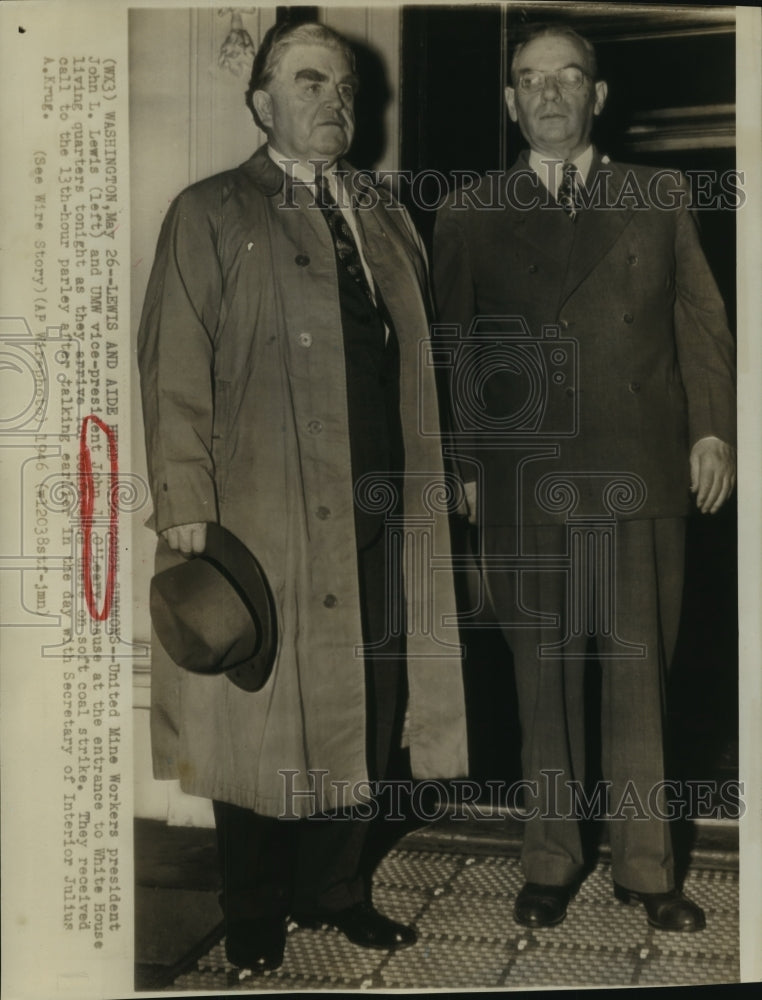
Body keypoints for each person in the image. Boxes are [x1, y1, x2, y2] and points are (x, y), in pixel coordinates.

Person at [138, 21, 467, 972]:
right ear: (261, 103)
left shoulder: (387, 212)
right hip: (262, 509)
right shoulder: (209, 211)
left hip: (383, 502)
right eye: (311, 82)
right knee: (257, 714)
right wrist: (185, 500)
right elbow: (173, 368)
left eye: (349, 89)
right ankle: (250, 915)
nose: (336, 103)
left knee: (369, 698)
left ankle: (335, 891)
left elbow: (424, 360)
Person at [433, 24, 735, 932]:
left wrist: (714, 431)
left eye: (570, 77)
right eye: (532, 79)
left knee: (641, 678)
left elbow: (701, 322)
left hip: (640, 466)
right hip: (525, 477)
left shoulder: (661, 193)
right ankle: (551, 857)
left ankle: (649, 870)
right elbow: (454, 352)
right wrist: (468, 468)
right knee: (543, 678)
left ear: (599, 97)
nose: (552, 94)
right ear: (511, 102)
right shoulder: (468, 208)